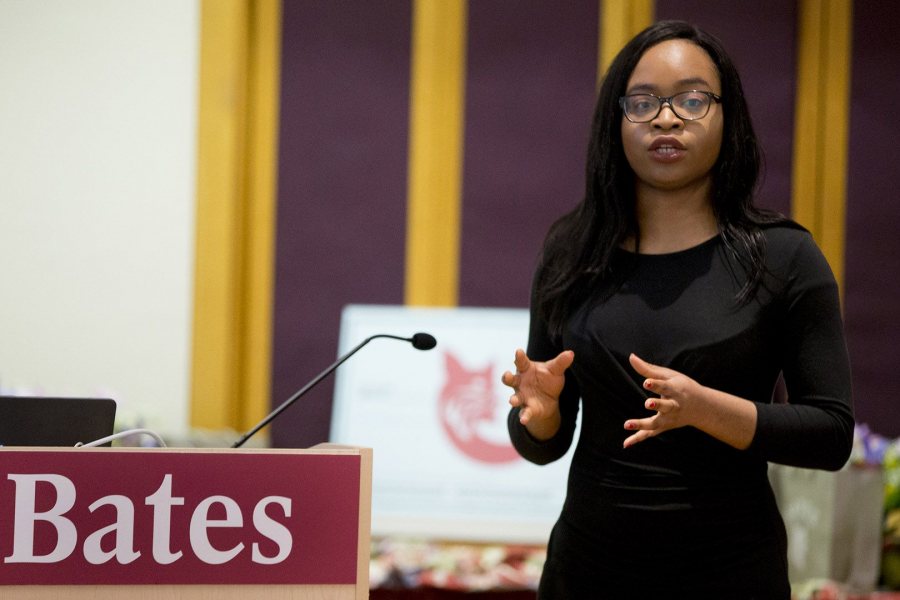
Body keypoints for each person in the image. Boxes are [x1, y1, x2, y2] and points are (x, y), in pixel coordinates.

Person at [502, 20, 853, 599]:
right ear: (616, 121)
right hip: (587, 573)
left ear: (727, 114)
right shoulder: (573, 249)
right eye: (643, 103)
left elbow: (831, 433)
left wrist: (706, 408)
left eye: (692, 100)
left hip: (730, 573)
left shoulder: (787, 258)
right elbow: (545, 443)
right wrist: (539, 419)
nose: (666, 119)